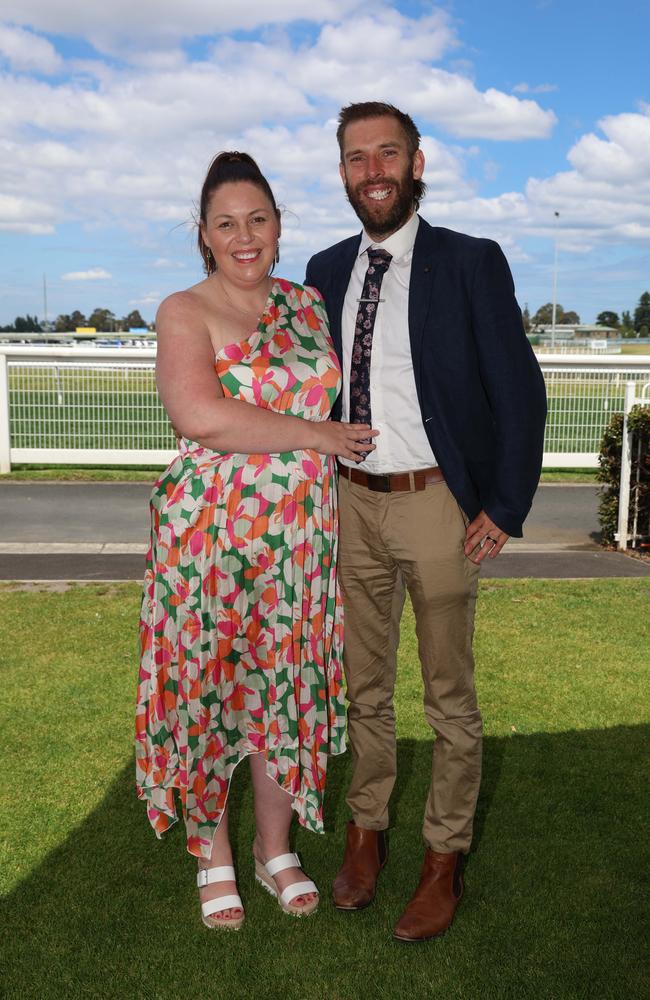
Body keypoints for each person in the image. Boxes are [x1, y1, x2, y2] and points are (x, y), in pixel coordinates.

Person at [305, 102, 547, 942]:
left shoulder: (471, 263)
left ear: (415, 164)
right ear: (341, 172)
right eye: (354, 157)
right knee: (364, 689)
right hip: (350, 504)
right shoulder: (324, 268)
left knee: (449, 697)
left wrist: (505, 505)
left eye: (386, 153)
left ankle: (443, 856)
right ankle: (366, 831)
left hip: (438, 502)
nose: (371, 170)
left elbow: (519, 391)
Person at [135, 151, 377, 930]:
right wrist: (316, 432)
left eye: (259, 220)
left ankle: (275, 848)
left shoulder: (308, 305)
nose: (245, 237)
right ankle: (212, 854)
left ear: (279, 226)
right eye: (227, 223)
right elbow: (199, 416)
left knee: (283, 692)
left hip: (300, 538)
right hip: (209, 537)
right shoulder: (185, 308)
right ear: (203, 234)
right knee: (211, 690)